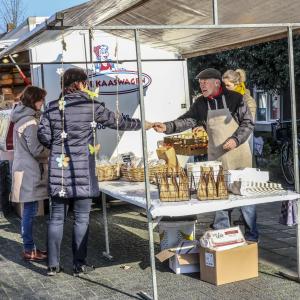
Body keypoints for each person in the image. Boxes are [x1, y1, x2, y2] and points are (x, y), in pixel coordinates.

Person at [37, 67, 151, 276]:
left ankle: (53, 265)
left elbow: (42, 136)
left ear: (64, 85)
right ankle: (79, 265)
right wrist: (143, 124)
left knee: (56, 219)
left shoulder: (52, 107)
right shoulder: (91, 105)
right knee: (81, 219)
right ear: (80, 84)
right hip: (83, 172)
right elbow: (118, 122)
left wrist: (57, 144)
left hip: (59, 171)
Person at [152, 67, 258, 242]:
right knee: (219, 196)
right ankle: (223, 237)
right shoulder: (201, 103)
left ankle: (252, 236)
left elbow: (248, 123)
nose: (202, 86)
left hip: (239, 155)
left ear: (217, 83)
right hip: (216, 157)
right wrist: (167, 126)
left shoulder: (236, 99)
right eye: (200, 83)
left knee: (245, 197)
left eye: (205, 82)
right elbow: (187, 120)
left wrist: (235, 139)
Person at [11, 86, 48, 261]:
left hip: (23, 168)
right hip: (30, 171)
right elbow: (36, 149)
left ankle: (30, 247)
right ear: (34, 100)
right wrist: (52, 151)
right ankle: (29, 250)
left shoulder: (20, 118)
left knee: (28, 211)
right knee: (30, 211)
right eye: (41, 99)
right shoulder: (30, 122)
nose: (43, 102)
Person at [222, 69, 258, 234]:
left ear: (237, 84)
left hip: (242, 152)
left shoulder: (247, 100)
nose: (224, 88)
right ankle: (221, 233)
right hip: (223, 154)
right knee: (222, 194)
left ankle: (251, 234)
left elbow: (248, 125)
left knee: (245, 193)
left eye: (227, 85)